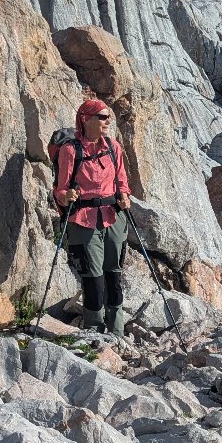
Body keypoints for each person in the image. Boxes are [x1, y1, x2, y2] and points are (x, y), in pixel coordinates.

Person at [53, 98, 133, 335]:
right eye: (103, 117)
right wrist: (66, 196)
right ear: (87, 119)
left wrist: (125, 196)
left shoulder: (113, 147)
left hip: (113, 216)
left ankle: (117, 332)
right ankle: (94, 332)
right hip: (83, 220)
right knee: (93, 279)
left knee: (114, 277)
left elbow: (122, 181)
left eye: (109, 117)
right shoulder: (70, 150)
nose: (108, 122)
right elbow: (60, 189)